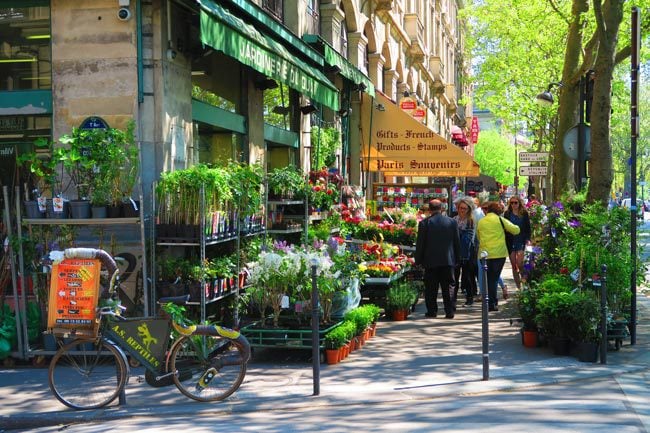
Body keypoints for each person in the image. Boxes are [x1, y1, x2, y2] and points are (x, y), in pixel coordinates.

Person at [415, 199, 460, 319]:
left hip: (430, 261)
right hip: (448, 260)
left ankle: (432, 311)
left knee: (431, 287)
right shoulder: (452, 222)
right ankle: (449, 311)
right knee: (448, 286)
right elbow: (457, 242)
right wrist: (457, 258)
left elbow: (420, 244)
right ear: (442, 208)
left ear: (429, 210)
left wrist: (418, 260)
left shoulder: (425, 223)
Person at [477, 201, 520, 311]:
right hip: (499, 254)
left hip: (484, 254)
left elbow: (478, 236)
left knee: (488, 278)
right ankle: (492, 302)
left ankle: (490, 301)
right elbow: (516, 230)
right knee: (494, 278)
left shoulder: (481, 221)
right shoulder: (500, 220)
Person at [452, 197, 477, 307]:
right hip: (456, 252)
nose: (462, 210)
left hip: (467, 253)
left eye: (465, 208)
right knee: (454, 277)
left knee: (467, 277)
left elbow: (468, 238)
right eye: (460, 208)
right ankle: (453, 299)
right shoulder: (454, 219)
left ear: (469, 209)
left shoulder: (470, 220)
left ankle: (470, 298)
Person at [503, 196, 532, 290]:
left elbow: (528, 227)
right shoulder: (507, 213)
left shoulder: (524, 213)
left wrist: (528, 239)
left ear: (519, 203)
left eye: (516, 202)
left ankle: (525, 280)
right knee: (513, 265)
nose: (514, 205)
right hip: (511, 241)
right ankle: (519, 288)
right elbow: (505, 227)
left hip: (521, 240)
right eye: (512, 203)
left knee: (520, 263)